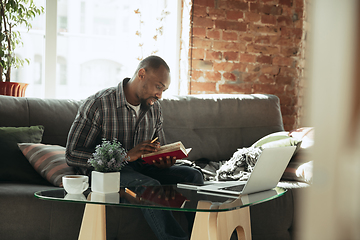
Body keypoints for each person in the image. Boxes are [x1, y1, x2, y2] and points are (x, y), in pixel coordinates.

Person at [65, 55, 204, 240]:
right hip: (108, 174)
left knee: (193, 175)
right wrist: (124, 157)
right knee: (149, 185)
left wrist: (163, 161)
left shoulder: (155, 108)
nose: (160, 95)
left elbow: (156, 148)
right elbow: (72, 153)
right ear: (142, 74)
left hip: (143, 169)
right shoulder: (99, 104)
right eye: (158, 87)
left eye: (164, 89)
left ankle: (203, 235)